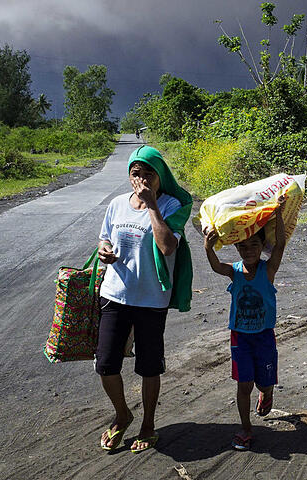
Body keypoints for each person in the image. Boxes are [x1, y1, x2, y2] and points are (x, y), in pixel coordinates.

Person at [95, 145, 193, 453]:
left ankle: (148, 424)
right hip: (115, 293)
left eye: (149, 173)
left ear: (160, 175)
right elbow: (105, 236)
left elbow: (167, 248)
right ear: (129, 176)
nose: (142, 179)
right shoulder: (116, 204)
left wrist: (151, 205)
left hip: (151, 299)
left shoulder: (173, 205)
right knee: (105, 364)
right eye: (136, 173)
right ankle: (123, 414)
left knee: (149, 367)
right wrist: (103, 249)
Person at [203, 196, 288, 451]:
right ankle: (246, 428)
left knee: (264, 382)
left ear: (262, 246)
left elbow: (281, 244)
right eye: (243, 246)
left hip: (263, 336)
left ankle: (267, 392)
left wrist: (278, 214)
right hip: (240, 337)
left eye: (254, 244)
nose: (248, 250)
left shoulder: (268, 269)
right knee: (243, 385)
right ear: (237, 248)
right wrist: (208, 248)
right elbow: (217, 266)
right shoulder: (235, 271)